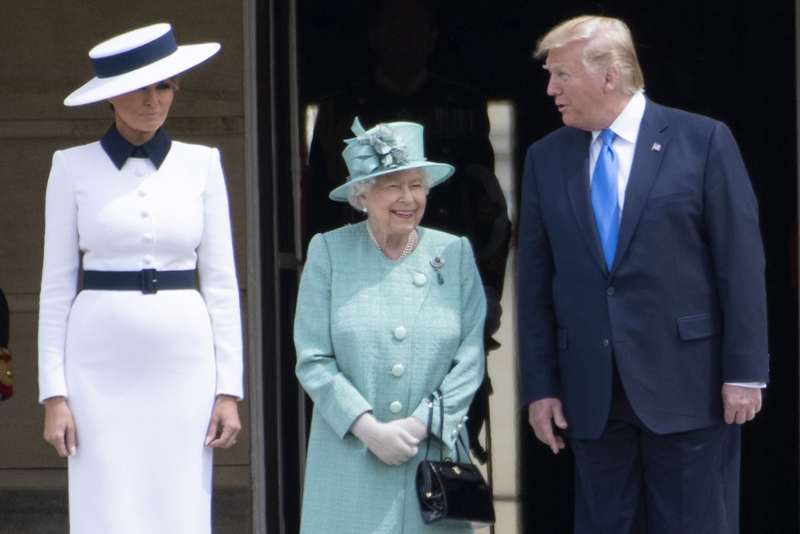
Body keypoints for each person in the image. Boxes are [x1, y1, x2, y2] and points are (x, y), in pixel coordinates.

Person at [517, 15, 768, 533]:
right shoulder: (546, 158)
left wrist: (744, 373)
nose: (550, 89)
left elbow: (740, 266)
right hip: (591, 391)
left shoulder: (703, 141)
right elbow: (535, 282)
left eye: (562, 74)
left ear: (610, 75)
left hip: (689, 385)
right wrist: (539, 386)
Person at [38, 23, 243, 534]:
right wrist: (54, 395)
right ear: (110, 96)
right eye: (138, 88)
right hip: (97, 363)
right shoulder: (70, 166)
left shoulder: (202, 163)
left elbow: (221, 284)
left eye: (164, 86)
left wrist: (229, 390)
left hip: (184, 361)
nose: (153, 101)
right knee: (106, 501)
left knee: (180, 501)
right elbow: (56, 289)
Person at [306, 0, 510, 464]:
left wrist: (488, 289)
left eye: (416, 30)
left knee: (452, 420)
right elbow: (319, 208)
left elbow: (488, 209)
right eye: (395, 30)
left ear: (433, 38)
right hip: (363, 279)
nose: (405, 41)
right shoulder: (342, 106)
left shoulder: (461, 103)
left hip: (445, 280)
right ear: (374, 37)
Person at [294, 118, 487, 533]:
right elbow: (312, 359)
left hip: (429, 458)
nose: (408, 198)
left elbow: (470, 358)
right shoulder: (328, 252)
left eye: (417, 185)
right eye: (393, 185)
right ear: (362, 194)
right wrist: (368, 429)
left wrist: (419, 425)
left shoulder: (454, 254)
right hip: (351, 458)